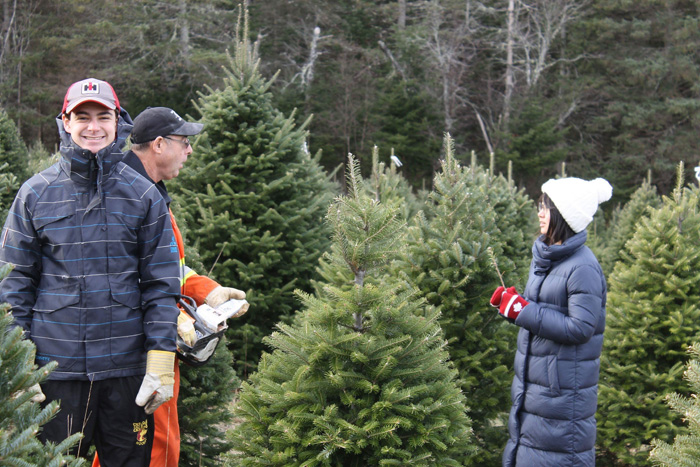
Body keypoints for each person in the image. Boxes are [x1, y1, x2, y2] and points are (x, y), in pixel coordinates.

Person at [0, 79, 181, 465]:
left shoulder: (144, 195)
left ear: (120, 123)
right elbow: (13, 284)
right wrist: (20, 367)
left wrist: (161, 358)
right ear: (65, 122)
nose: (93, 126)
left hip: (127, 374)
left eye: (104, 116)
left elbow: (162, 286)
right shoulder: (34, 193)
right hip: (56, 375)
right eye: (82, 116)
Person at [92, 106, 247, 467]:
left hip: (156, 342)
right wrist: (168, 316)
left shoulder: (153, 193)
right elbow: (108, 273)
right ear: (159, 145)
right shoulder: (123, 196)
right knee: (141, 447)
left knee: (157, 443)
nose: (190, 150)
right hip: (134, 349)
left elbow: (163, 266)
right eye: (185, 142)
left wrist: (206, 291)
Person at [490, 177, 613, 467]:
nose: (540, 213)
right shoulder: (546, 258)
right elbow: (542, 314)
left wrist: (522, 311)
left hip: (559, 398)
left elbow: (580, 327)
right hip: (535, 389)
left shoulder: (582, 267)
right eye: (540, 206)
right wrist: (514, 306)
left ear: (564, 215)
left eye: (546, 208)